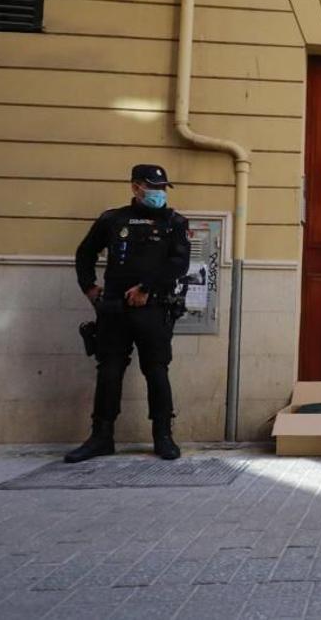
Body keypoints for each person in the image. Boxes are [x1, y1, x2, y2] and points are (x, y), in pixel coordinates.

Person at [66, 164, 190, 463]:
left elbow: (178, 264)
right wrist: (89, 288)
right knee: (109, 371)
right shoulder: (113, 219)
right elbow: (85, 253)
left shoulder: (174, 222)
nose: (158, 193)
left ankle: (163, 436)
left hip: (154, 308)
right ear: (135, 187)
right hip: (114, 310)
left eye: (162, 188)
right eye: (152, 187)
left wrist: (146, 288)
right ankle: (101, 436)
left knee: (157, 371)